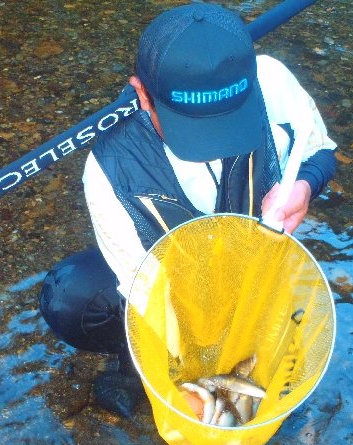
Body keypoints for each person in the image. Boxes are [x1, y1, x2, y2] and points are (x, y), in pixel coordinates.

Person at [39, 3, 337, 417]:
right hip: (175, 282)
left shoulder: (271, 79)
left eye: (230, 121)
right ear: (143, 94)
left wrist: (303, 186)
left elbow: (320, 152)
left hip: (254, 268)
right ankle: (133, 369)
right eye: (192, 127)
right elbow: (147, 295)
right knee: (72, 297)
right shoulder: (111, 172)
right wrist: (187, 392)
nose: (214, 146)